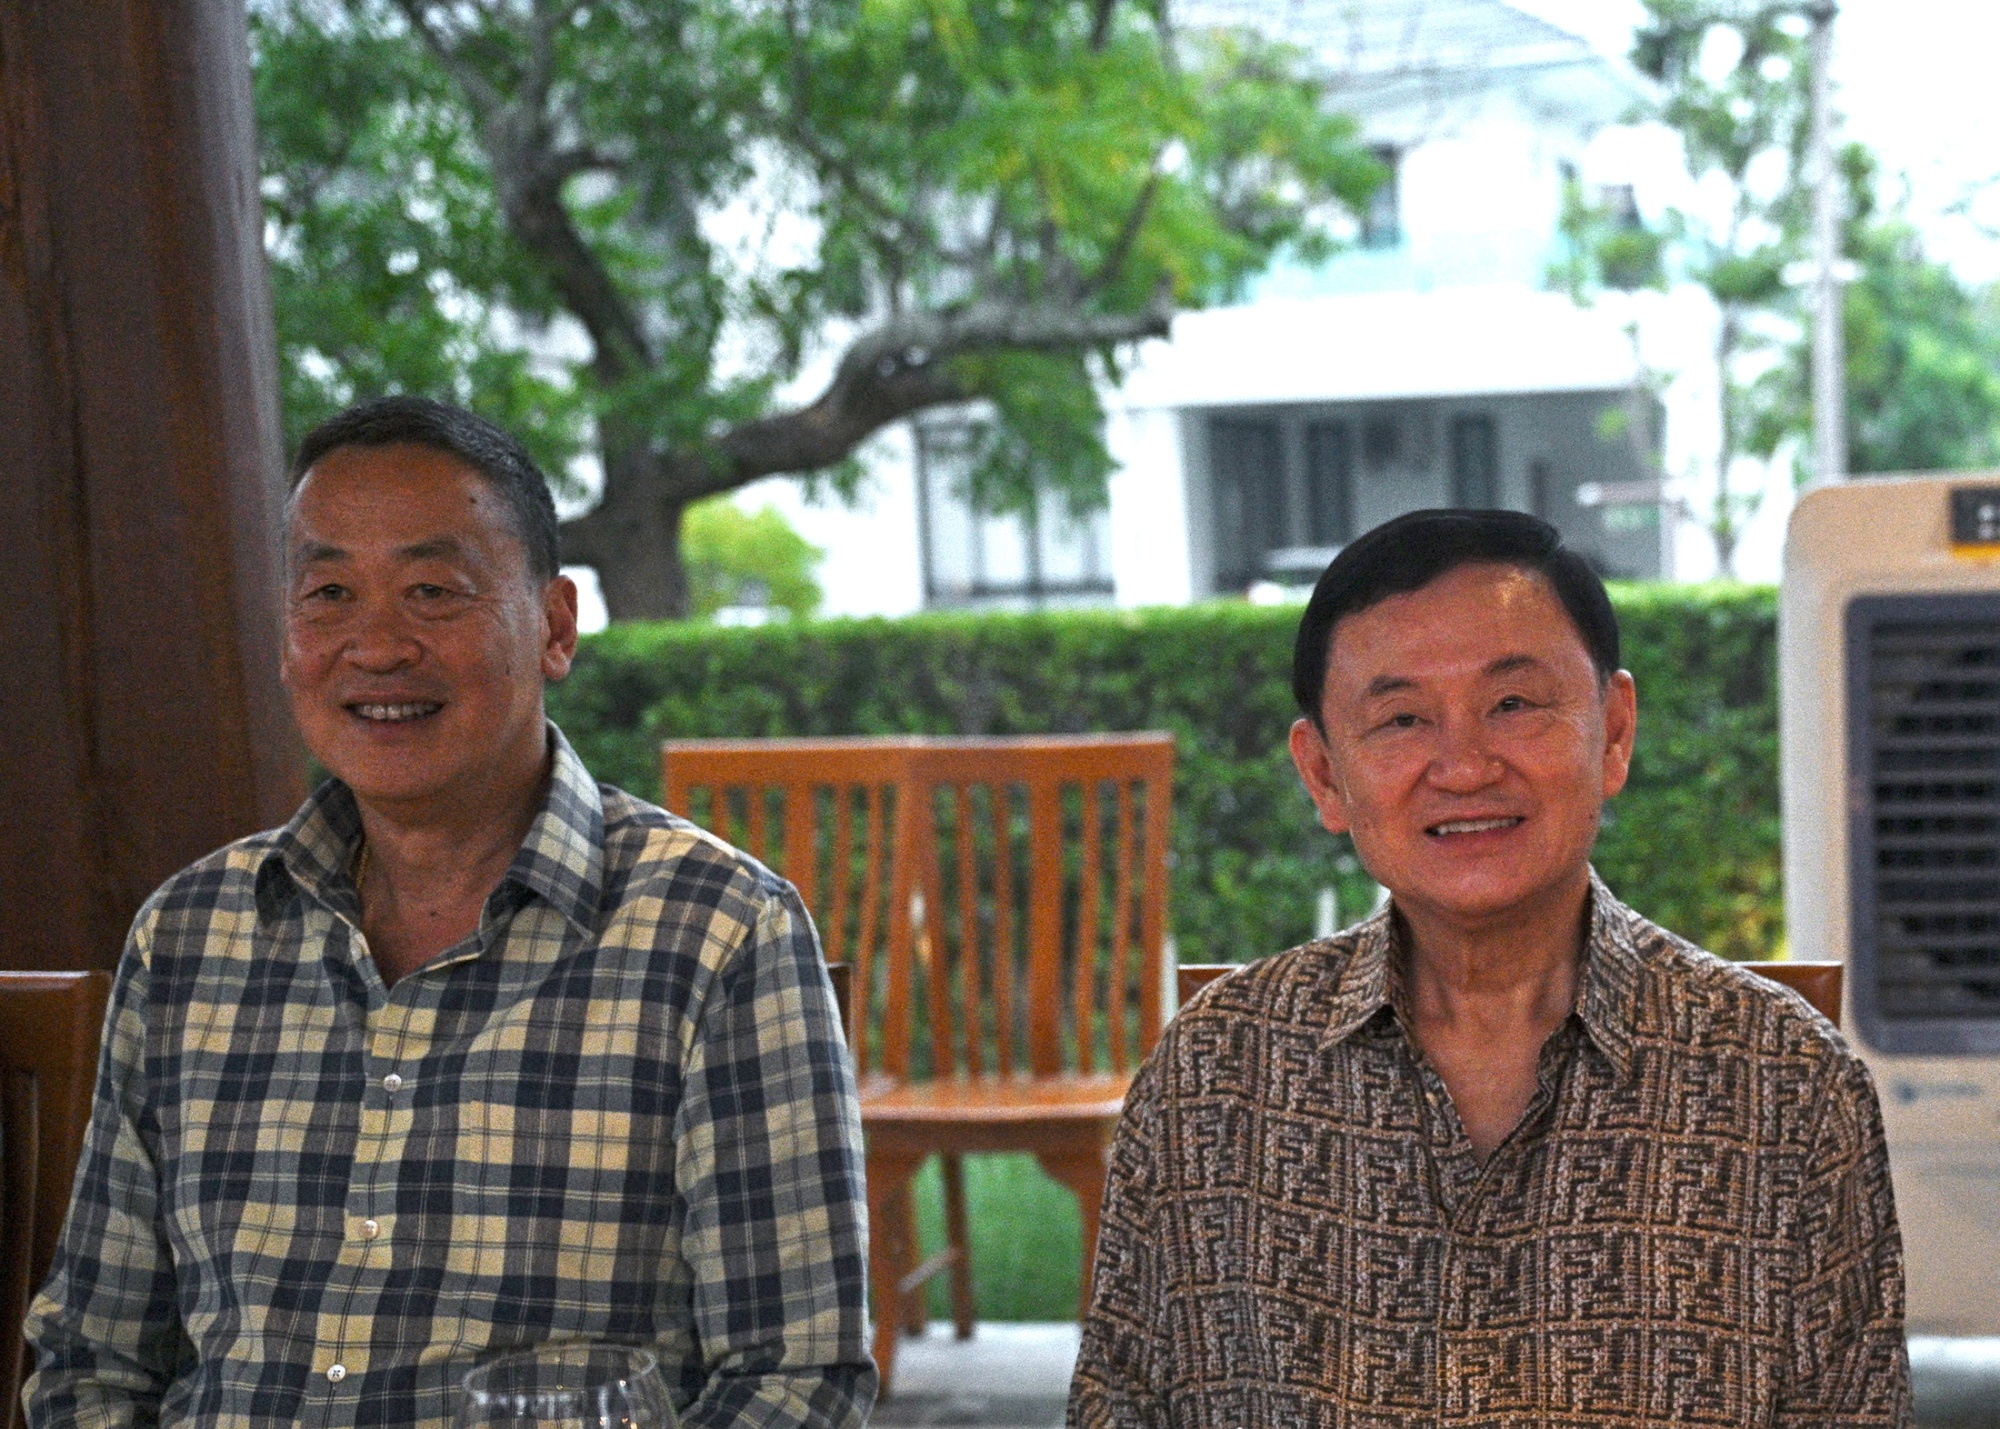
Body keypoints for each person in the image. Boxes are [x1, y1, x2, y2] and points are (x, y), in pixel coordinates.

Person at [24, 397, 874, 1429]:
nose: (377, 646)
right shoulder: (192, 935)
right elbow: (92, 1361)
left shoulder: (718, 934)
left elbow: (794, 1380)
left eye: (432, 591)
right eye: (328, 593)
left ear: (555, 625)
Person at [1069, 509, 1911, 1427]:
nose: (1464, 767)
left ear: (1614, 730)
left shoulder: (1784, 1086)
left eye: (1513, 704)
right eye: (1401, 719)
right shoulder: (1216, 1074)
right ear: (1324, 775)